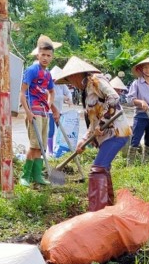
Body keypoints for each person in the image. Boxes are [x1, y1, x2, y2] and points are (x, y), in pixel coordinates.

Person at [56, 56, 131, 211]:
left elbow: (114, 98)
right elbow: (93, 123)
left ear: (77, 75)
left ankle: (97, 213)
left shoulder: (96, 81)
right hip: (106, 135)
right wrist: (83, 140)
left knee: (97, 170)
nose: (71, 83)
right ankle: (108, 208)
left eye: (70, 79)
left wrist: (103, 122)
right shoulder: (85, 92)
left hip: (116, 131)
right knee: (103, 169)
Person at [20, 35, 60, 187]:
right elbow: (22, 93)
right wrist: (28, 112)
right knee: (33, 146)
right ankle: (25, 176)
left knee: (41, 147)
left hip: (44, 113)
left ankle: (37, 176)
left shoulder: (48, 74)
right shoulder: (32, 70)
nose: (45, 58)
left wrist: (50, 106)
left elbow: (51, 92)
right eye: (42, 55)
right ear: (38, 54)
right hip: (34, 112)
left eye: (48, 55)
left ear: (52, 57)